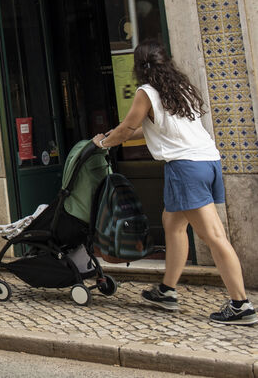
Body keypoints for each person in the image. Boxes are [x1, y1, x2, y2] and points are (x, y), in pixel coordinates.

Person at [92, 41, 255, 325]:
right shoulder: (179, 88)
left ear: (138, 66)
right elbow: (147, 127)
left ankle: (240, 304)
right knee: (173, 223)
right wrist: (113, 135)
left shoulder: (146, 92)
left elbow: (129, 127)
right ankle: (167, 290)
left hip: (185, 168)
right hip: (207, 162)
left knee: (214, 236)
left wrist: (102, 143)